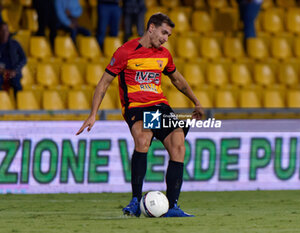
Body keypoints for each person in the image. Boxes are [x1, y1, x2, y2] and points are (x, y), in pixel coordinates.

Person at [76, 13, 204, 217]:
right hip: (137, 106)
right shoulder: (126, 52)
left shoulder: (164, 55)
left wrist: (196, 101)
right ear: (151, 27)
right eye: (164, 33)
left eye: (169, 35)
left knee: (179, 145)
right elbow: (104, 83)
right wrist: (93, 114)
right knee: (143, 138)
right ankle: (135, 201)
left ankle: (172, 207)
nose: (165, 38)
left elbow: (177, 79)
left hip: (160, 106)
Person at [0, 22, 26, 98]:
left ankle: (20, 105)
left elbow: (23, 59)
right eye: (2, 30)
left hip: (12, 73)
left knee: (17, 84)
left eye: (6, 30)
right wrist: (2, 71)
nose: (4, 33)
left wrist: (16, 70)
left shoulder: (15, 44)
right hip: (1, 73)